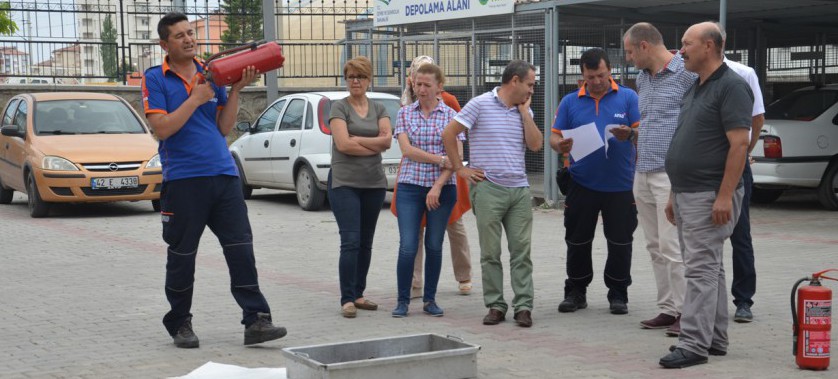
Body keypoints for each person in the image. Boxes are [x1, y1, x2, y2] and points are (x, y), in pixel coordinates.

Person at [142, 12, 286, 348]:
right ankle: (179, 322)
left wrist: (234, 90)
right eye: (180, 36)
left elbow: (223, 127)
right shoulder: (155, 79)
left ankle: (257, 321)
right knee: (182, 256)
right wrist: (194, 98)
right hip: (183, 182)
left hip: (224, 176)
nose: (189, 39)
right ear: (165, 44)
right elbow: (161, 129)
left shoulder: (211, 72)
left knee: (241, 251)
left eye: (191, 33)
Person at [659, 21, 753, 368]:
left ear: (710, 46)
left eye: (686, 44)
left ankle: (693, 345)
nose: (680, 50)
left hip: (709, 192)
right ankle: (714, 338)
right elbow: (684, 142)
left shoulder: (731, 87)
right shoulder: (695, 86)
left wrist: (725, 196)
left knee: (699, 270)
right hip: (687, 192)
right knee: (709, 269)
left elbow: (739, 144)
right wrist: (673, 192)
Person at [442, 60, 543, 328]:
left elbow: (536, 145)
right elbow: (449, 133)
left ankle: (523, 306)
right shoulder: (480, 104)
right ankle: (496, 305)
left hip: (519, 190)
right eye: (530, 84)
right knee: (490, 252)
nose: (532, 90)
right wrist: (460, 170)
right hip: (488, 188)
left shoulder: (524, 109)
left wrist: (524, 114)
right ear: (515, 81)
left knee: (521, 251)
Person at [550, 48, 640, 316]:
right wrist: (560, 145)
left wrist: (631, 134)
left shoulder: (628, 97)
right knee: (577, 240)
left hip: (621, 185)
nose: (597, 81)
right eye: (591, 77)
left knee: (620, 242)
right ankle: (576, 292)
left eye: (601, 75)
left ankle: (618, 293)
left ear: (610, 70)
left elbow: (643, 130)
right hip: (581, 184)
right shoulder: (569, 102)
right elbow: (553, 139)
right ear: (582, 75)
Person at [623, 22, 696, 335]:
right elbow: (655, 122)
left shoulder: (686, 74)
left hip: (670, 172)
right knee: (654, 244)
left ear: (643, 46)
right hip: (643, 169)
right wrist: (633, 134)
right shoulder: (642, 78)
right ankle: (667, 307)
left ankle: (686, 311)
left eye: (629, 51)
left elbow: (690, 122)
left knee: (672, 245)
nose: (628, 59)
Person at [399, 55, 473, 298]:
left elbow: (458, 135)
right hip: (415, 175)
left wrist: (445, 166)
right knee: (414, 232)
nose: (420, 86)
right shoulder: (406, 102)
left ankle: (464, 275)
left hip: (446, 176)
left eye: (425, 81)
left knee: (453, 225)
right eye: (416, 78)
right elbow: (406, 146)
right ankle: (415, 282)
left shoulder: (449, 103)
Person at [392, 63, 461, 317]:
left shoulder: (451, 116)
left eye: (426, 85)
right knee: (408, 245)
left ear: (439, 87)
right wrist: (440, 159)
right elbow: (407, 151)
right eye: (417, 84)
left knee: (434, 244)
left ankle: (430, 300)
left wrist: (438, 184)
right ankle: (402, 300)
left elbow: (457, 157)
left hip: (442, 189)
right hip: (410, 186)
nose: (421, 89)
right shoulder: (405, 113)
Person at [328, 56, 393, 319]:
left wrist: (360, 139)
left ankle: (359, 293)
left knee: (366, 242)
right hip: (344, 183)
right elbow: (343, 145)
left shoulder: (379, 108)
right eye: (351, 76)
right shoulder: (338, 108)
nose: (355, 81)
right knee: (351, 241)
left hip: (374, 183)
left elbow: (388, 142)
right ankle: (346, 298)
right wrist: (373, 141)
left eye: (361, 76)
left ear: (369, 80)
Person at [716, 24, 766, 324]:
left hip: (735, 164)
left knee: (740, 234)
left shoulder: (742, 74)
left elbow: (757, 117)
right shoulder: (693, 76)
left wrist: (745, 151)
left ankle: (743, 299)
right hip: (705, 167)